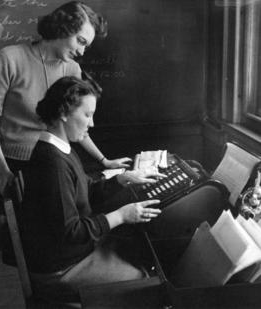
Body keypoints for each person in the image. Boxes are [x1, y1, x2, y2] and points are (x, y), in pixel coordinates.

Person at [0, 1, 130, 253]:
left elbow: (76, 123)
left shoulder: (72, 69)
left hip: (55, 162)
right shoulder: (9, 58)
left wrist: (104, 160)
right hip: (13, 167)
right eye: (80, 41)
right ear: (62, 27)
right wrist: (2, 171)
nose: (82, 51)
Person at [19, 76, 164, 301]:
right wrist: (122, 215)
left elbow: (85, 190)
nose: (92, 123)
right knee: (144, 280)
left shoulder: (62, 149)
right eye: (87, 115)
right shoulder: (51, 163)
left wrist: (122, 179)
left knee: (138, 252)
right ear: (63, 113)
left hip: (73, 254)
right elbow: (71, 232)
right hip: (60, 270)